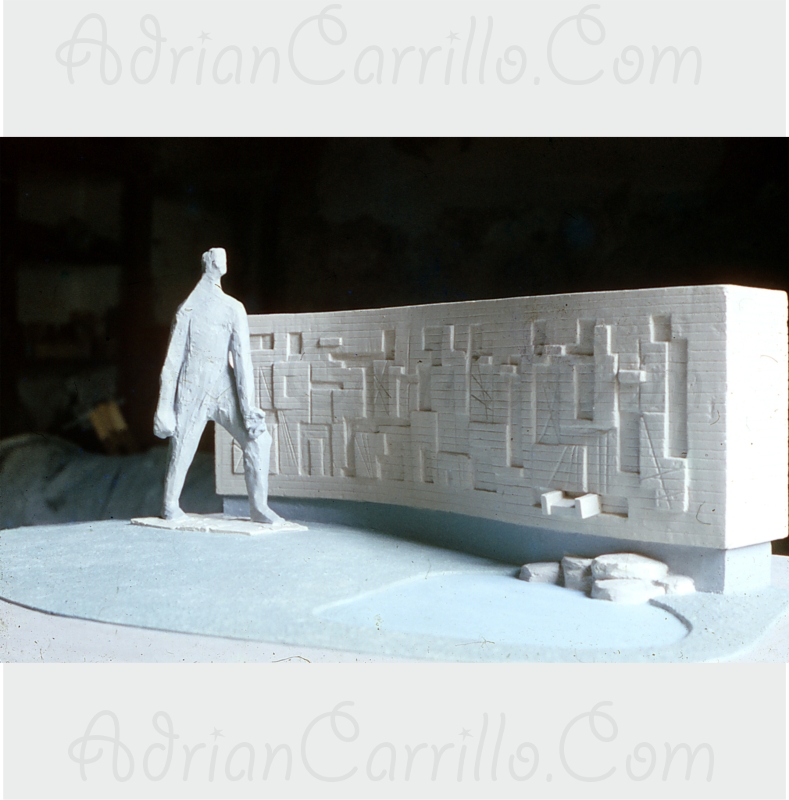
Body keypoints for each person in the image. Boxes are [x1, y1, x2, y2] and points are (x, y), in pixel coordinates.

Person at [153, 247, 282, 523]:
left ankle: (259, 507)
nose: (222, 261)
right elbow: (172, 361)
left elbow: (243, 361)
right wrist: (164, 407)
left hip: (223, 386)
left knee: (259, 439)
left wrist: (248, 409)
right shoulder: (187, 309)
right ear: (209, 263)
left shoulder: (233, 308)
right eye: (217, 257)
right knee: (182, 448)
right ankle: (170, 505)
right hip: (192, 387)